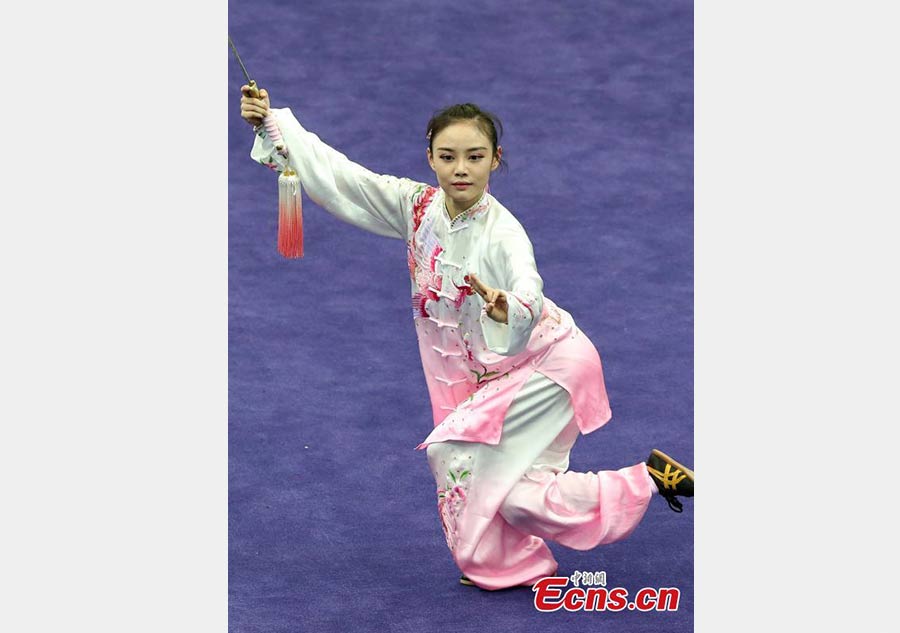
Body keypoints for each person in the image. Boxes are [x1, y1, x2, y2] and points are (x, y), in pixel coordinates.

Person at [239, 86, 694, 591]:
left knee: (454, 449)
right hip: (502, 368)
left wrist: (509, 306)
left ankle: (497, 561)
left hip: (547, 365)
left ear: (495, 161)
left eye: (475, 157)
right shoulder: (416, 207)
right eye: (448, 156)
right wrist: (272, 123)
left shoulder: (504, 233)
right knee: (518, 494)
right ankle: (646, 481)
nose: (461, 168)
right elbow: (345, 176)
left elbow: (528, 286)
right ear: (428, 156)